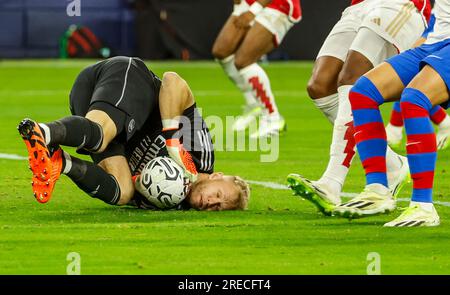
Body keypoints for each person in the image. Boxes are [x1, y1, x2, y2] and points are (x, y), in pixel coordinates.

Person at [18, 56, 250, 211]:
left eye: (219, 206)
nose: (212, 202)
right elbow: (173, 81)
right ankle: (43, 133)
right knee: (101, 135)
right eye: (218, 193)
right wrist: (172, 139)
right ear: (216, 176)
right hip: (124, 78)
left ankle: (59, 162)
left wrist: (139, 183)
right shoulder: (200, 155)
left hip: (86, 108)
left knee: (122, 192)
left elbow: (125, 184)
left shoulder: (172, 204)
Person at [287, 0, 431, 216]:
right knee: (320, 86)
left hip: (399, 4)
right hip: (359, 6)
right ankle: (392, 164)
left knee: (353, 77)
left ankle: (331, 183)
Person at [335, 0, 450, 226]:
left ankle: (423, 206)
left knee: (414, 99)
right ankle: (378, 189)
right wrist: (427, 35)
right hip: (435, 40)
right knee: (363, 92)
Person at [212, 0, 302, 138]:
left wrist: (253, 11)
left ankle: (273, 118)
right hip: (248, 2)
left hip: (277, 4)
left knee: (243, 61)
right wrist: (238, 7)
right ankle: (254, 104)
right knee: (222, 51)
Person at [385, 13, 450, 150]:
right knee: (412, 81)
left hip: (437, 30)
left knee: (415, 84)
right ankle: (443, 121)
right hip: (434, 23)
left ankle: (395, 128)